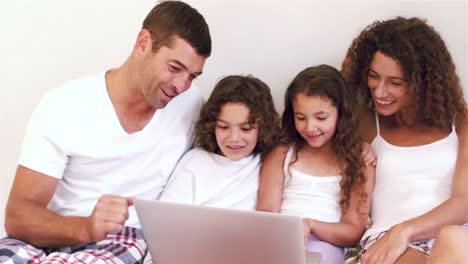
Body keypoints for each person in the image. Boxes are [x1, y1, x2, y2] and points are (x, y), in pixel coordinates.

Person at [0, 1, 211, 263]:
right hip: (48, 237)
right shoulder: (65, 105)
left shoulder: (190, 104)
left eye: (193, 76)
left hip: (121, 241)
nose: (181, 85)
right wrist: (86, 227)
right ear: (143, 43)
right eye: (174, 68)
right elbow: (18, 216)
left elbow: (232, 152)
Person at [341, 16, 468, 264]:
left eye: (395, 83)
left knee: (453, 237)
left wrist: (406, 229)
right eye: (374, 76)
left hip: (453, 236)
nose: (380, 91)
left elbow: (465, 202)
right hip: (387, 242)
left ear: (424, 82)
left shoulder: (461, 122)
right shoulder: (364, 122)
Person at [257, 65, 375, 264]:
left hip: (326, 246)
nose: (310, 127)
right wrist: (290, 233)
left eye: (321, 117)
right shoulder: (282, 154)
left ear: (341, 113)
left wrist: (310, 225)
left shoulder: (359, 161)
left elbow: (353, 230)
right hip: (280, 243)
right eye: (300, 117)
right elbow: (266, 215)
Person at [160, 75, 280, 210]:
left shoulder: (268, 163)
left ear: (263, 127)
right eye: (223, 127)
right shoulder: (195, 162)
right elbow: (167, 215)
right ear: (211, 125)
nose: (234, 138)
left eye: (245, 129)